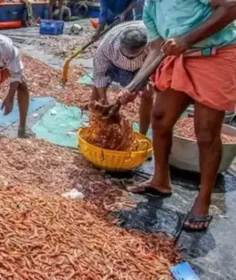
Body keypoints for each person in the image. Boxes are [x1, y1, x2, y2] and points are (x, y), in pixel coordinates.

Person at [118, 0, 236, 231]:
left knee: (206, 132)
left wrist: (186, 40)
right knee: (160, 119)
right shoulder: (151, 7)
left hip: (215, 54)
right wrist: (132, 87)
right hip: (179, 58)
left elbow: (231, 8)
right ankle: (160, 180)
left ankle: (204, 199)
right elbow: (156, 49)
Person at [92, 21, 153, 135]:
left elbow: (154, 66)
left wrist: (135, 88)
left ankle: (142, 134)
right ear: (120, 45)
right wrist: (104, 101)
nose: (129, 58)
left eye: (133, 56)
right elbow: (99, 75)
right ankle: (94, 126)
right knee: (97, 89)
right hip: (114, 64)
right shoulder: (106, 47)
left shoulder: (153, 41)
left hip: (141, 68)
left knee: (147, 94)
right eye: (127, 55)